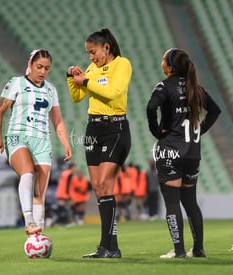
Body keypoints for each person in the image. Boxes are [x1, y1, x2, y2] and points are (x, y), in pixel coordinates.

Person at [146, 48, 221, 258]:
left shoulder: (165, 85)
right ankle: (198, 249)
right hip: (192, 153)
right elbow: (215, 111)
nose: (161, 62)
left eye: (163, 59)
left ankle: (178, 250)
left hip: (170, 151)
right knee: (190, 201)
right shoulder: (195, 87)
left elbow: (151, 107)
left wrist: (156, 130)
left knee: (172, 202)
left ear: (169, 67)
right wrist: (201, 129)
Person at [67, 28, 132, 258]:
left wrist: (85, 81)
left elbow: (114, 93)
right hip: (93, 128)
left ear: (106, 47)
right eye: (88, 54)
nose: (91, 58)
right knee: (98, 188)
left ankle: (107, 245)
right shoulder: (92, 69)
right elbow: (77, 97)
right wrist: (72, 79)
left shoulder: (122, 64)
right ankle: (110, 247)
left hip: (115, 128)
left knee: (105, 184)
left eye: (93, 52)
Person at [0, 49, 72, 235]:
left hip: (42, 141)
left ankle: (37, 239)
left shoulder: (51, 89)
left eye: (47, 68)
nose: (43, 71)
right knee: (27, 172)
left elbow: (57, 120)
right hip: (17, 136)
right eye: (39, 67)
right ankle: (28, 220)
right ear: (30, 65)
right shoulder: (16, 83)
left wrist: (66, 143)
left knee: (40, 194)